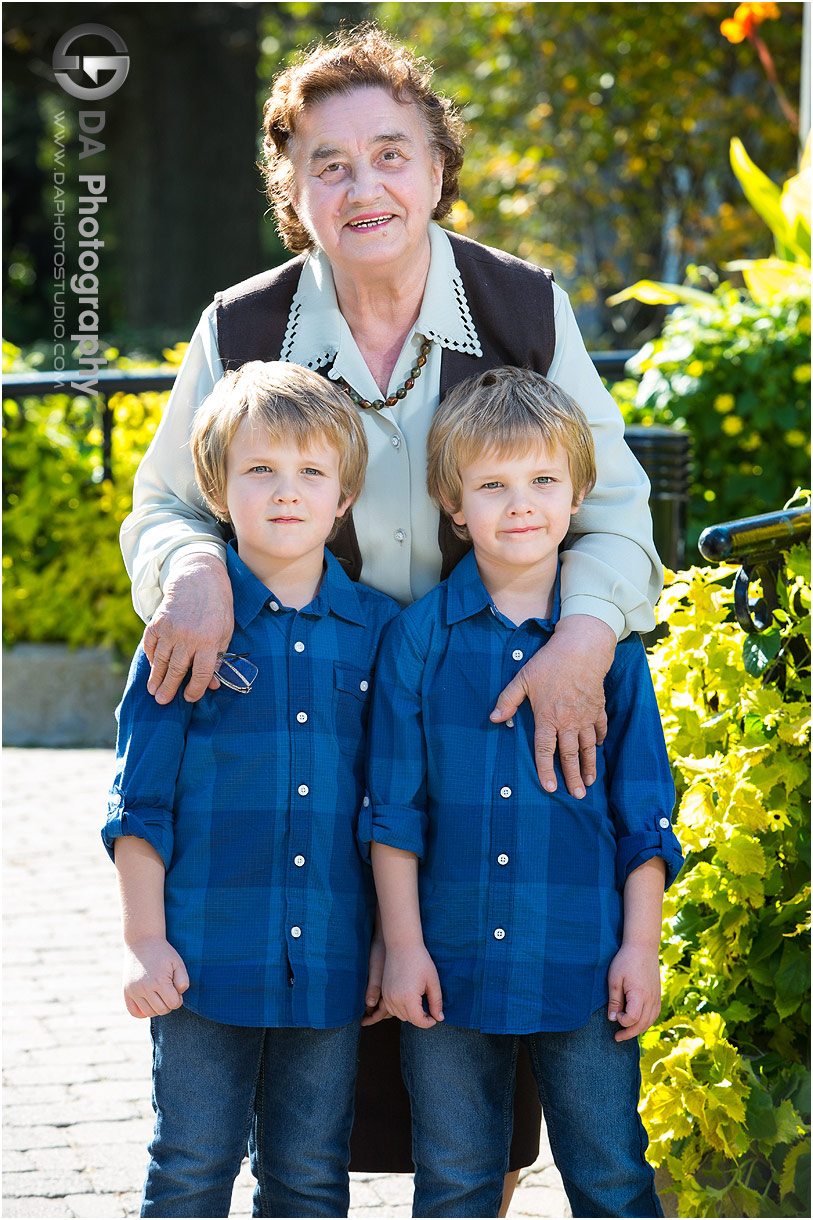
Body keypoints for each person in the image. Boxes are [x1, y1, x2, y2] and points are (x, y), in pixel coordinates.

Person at [118, 23, 662, 1196]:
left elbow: (616, 509)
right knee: (316, 1063)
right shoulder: (242, 326)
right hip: (311, 712)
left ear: (437, 165)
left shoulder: (522, 306)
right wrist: (193, 569)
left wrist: (584, 632)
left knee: (489, 1050)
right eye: (328, 162)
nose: (365, 186)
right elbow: (163, 504)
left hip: (491, 719)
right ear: (291, 188)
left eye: (392, 154)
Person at [367, 367, 683, 1219]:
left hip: (582, 960)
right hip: (451, 961)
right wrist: (403, 949)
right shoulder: (415, 641)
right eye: (493, 485)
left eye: (543, 481)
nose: (521, 505)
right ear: (453, 505)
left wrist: (639, 949)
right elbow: (393, 812)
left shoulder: (608, 649)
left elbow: (644, 817)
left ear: (578, 493)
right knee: (456, 1181)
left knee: (612, 1175)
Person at [102, 362, 399, 1218]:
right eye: (259, 470)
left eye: (312, 472)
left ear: (343, 497)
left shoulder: (379, 634)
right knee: (192, 1163)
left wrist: (385, 942)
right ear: (218, 490)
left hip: (334, 963)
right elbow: (138, 804)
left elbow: (389, 809)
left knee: (309, 1175)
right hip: (202, 959)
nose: (286, 493)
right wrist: (143, 944)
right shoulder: (185, 629)